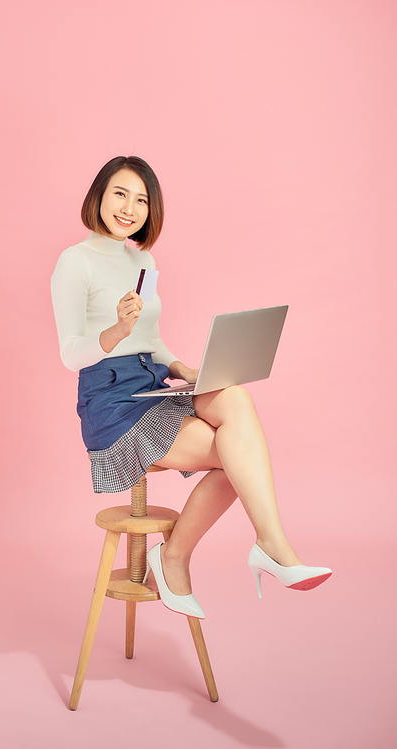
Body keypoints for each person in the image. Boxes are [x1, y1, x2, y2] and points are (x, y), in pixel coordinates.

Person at [51, 155, 331, 619]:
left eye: (141, 200)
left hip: (153, 382)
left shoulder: (144, 259)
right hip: (109, 398)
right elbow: (70, 353)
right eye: (120, 193)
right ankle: (188, 555)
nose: (129, 208)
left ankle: (265, 542)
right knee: (235, 458)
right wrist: (115, 332)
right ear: (98, 195)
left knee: (234, 399)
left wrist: (185, 368)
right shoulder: (74, 261)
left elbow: (152, 338)